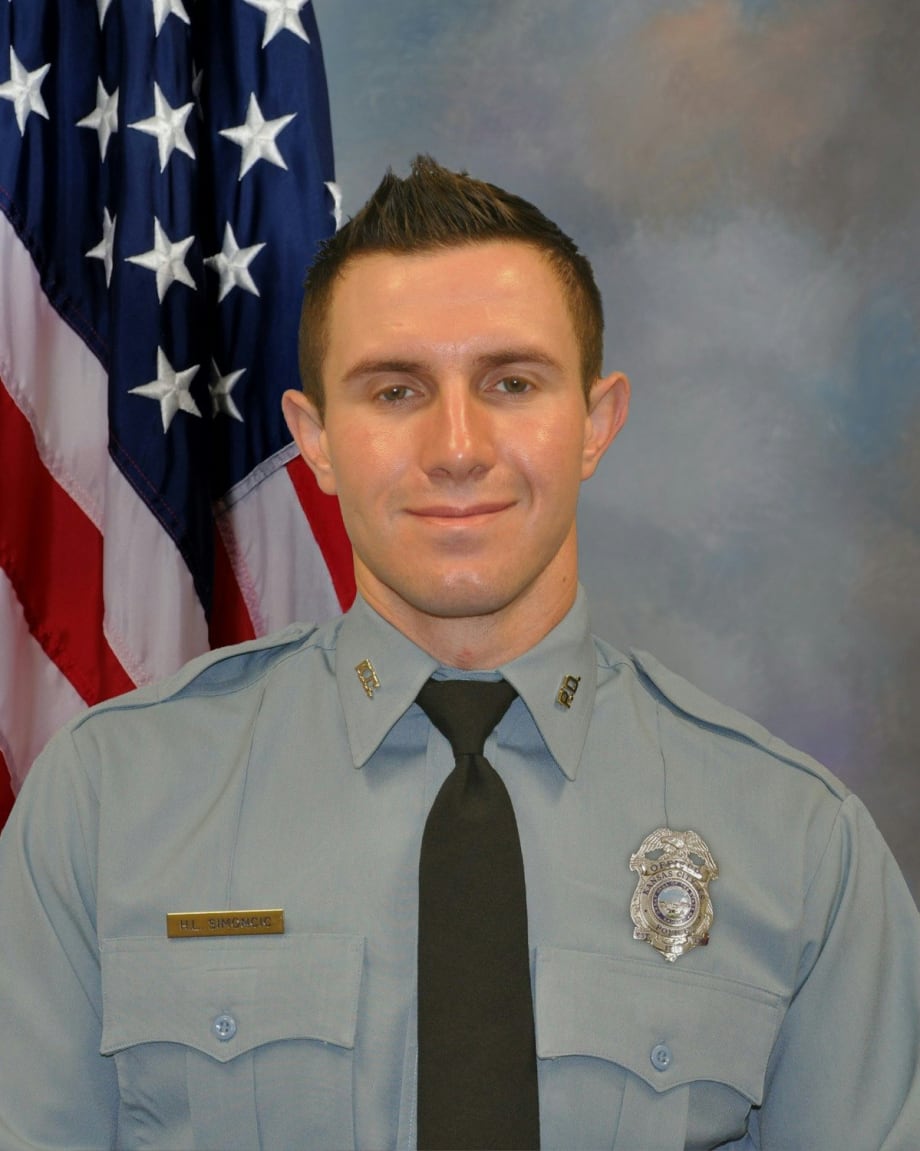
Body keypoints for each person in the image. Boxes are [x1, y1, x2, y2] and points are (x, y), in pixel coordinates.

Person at [0, 156, 918, 1151]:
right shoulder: (109, 804)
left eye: (511, 383)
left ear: (594, 423)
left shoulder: (798, 847)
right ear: (315, 437)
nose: (456, 447)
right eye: (395, 390)